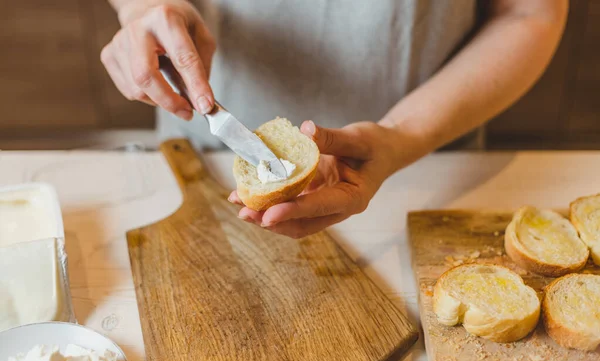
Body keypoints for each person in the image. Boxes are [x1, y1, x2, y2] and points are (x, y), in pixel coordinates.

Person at [101, 0, 567, 238]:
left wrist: (402, 135)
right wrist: (142, 8)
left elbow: (529, 12)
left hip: (431, 166)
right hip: (198, 156)